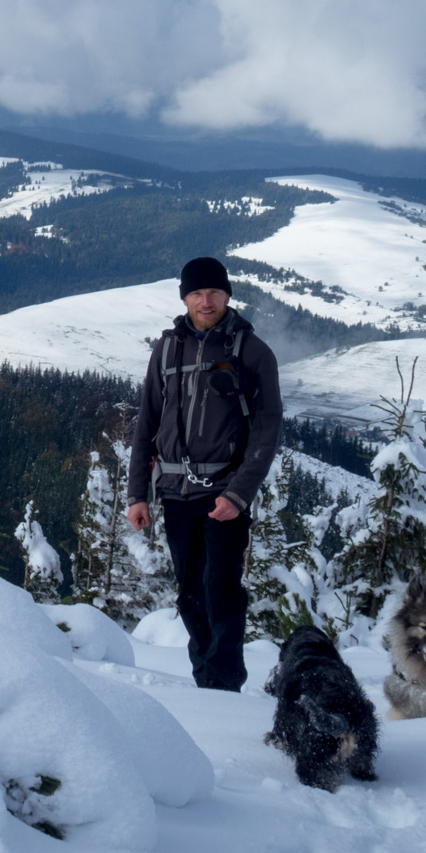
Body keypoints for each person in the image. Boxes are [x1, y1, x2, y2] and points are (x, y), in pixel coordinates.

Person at [124, 256, 282, 691]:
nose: (205, 301)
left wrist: (239, 494)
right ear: (185, 298)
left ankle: (224, 686)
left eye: (213, 292)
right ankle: (204, 682)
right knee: (190, 594)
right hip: (175, 491)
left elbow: (267, 430)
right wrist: (138, 493)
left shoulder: (252, 352)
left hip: (224, 493)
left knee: (221, 589)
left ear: (228, 295)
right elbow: (146, 425)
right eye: (196, 293)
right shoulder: (167, 349)